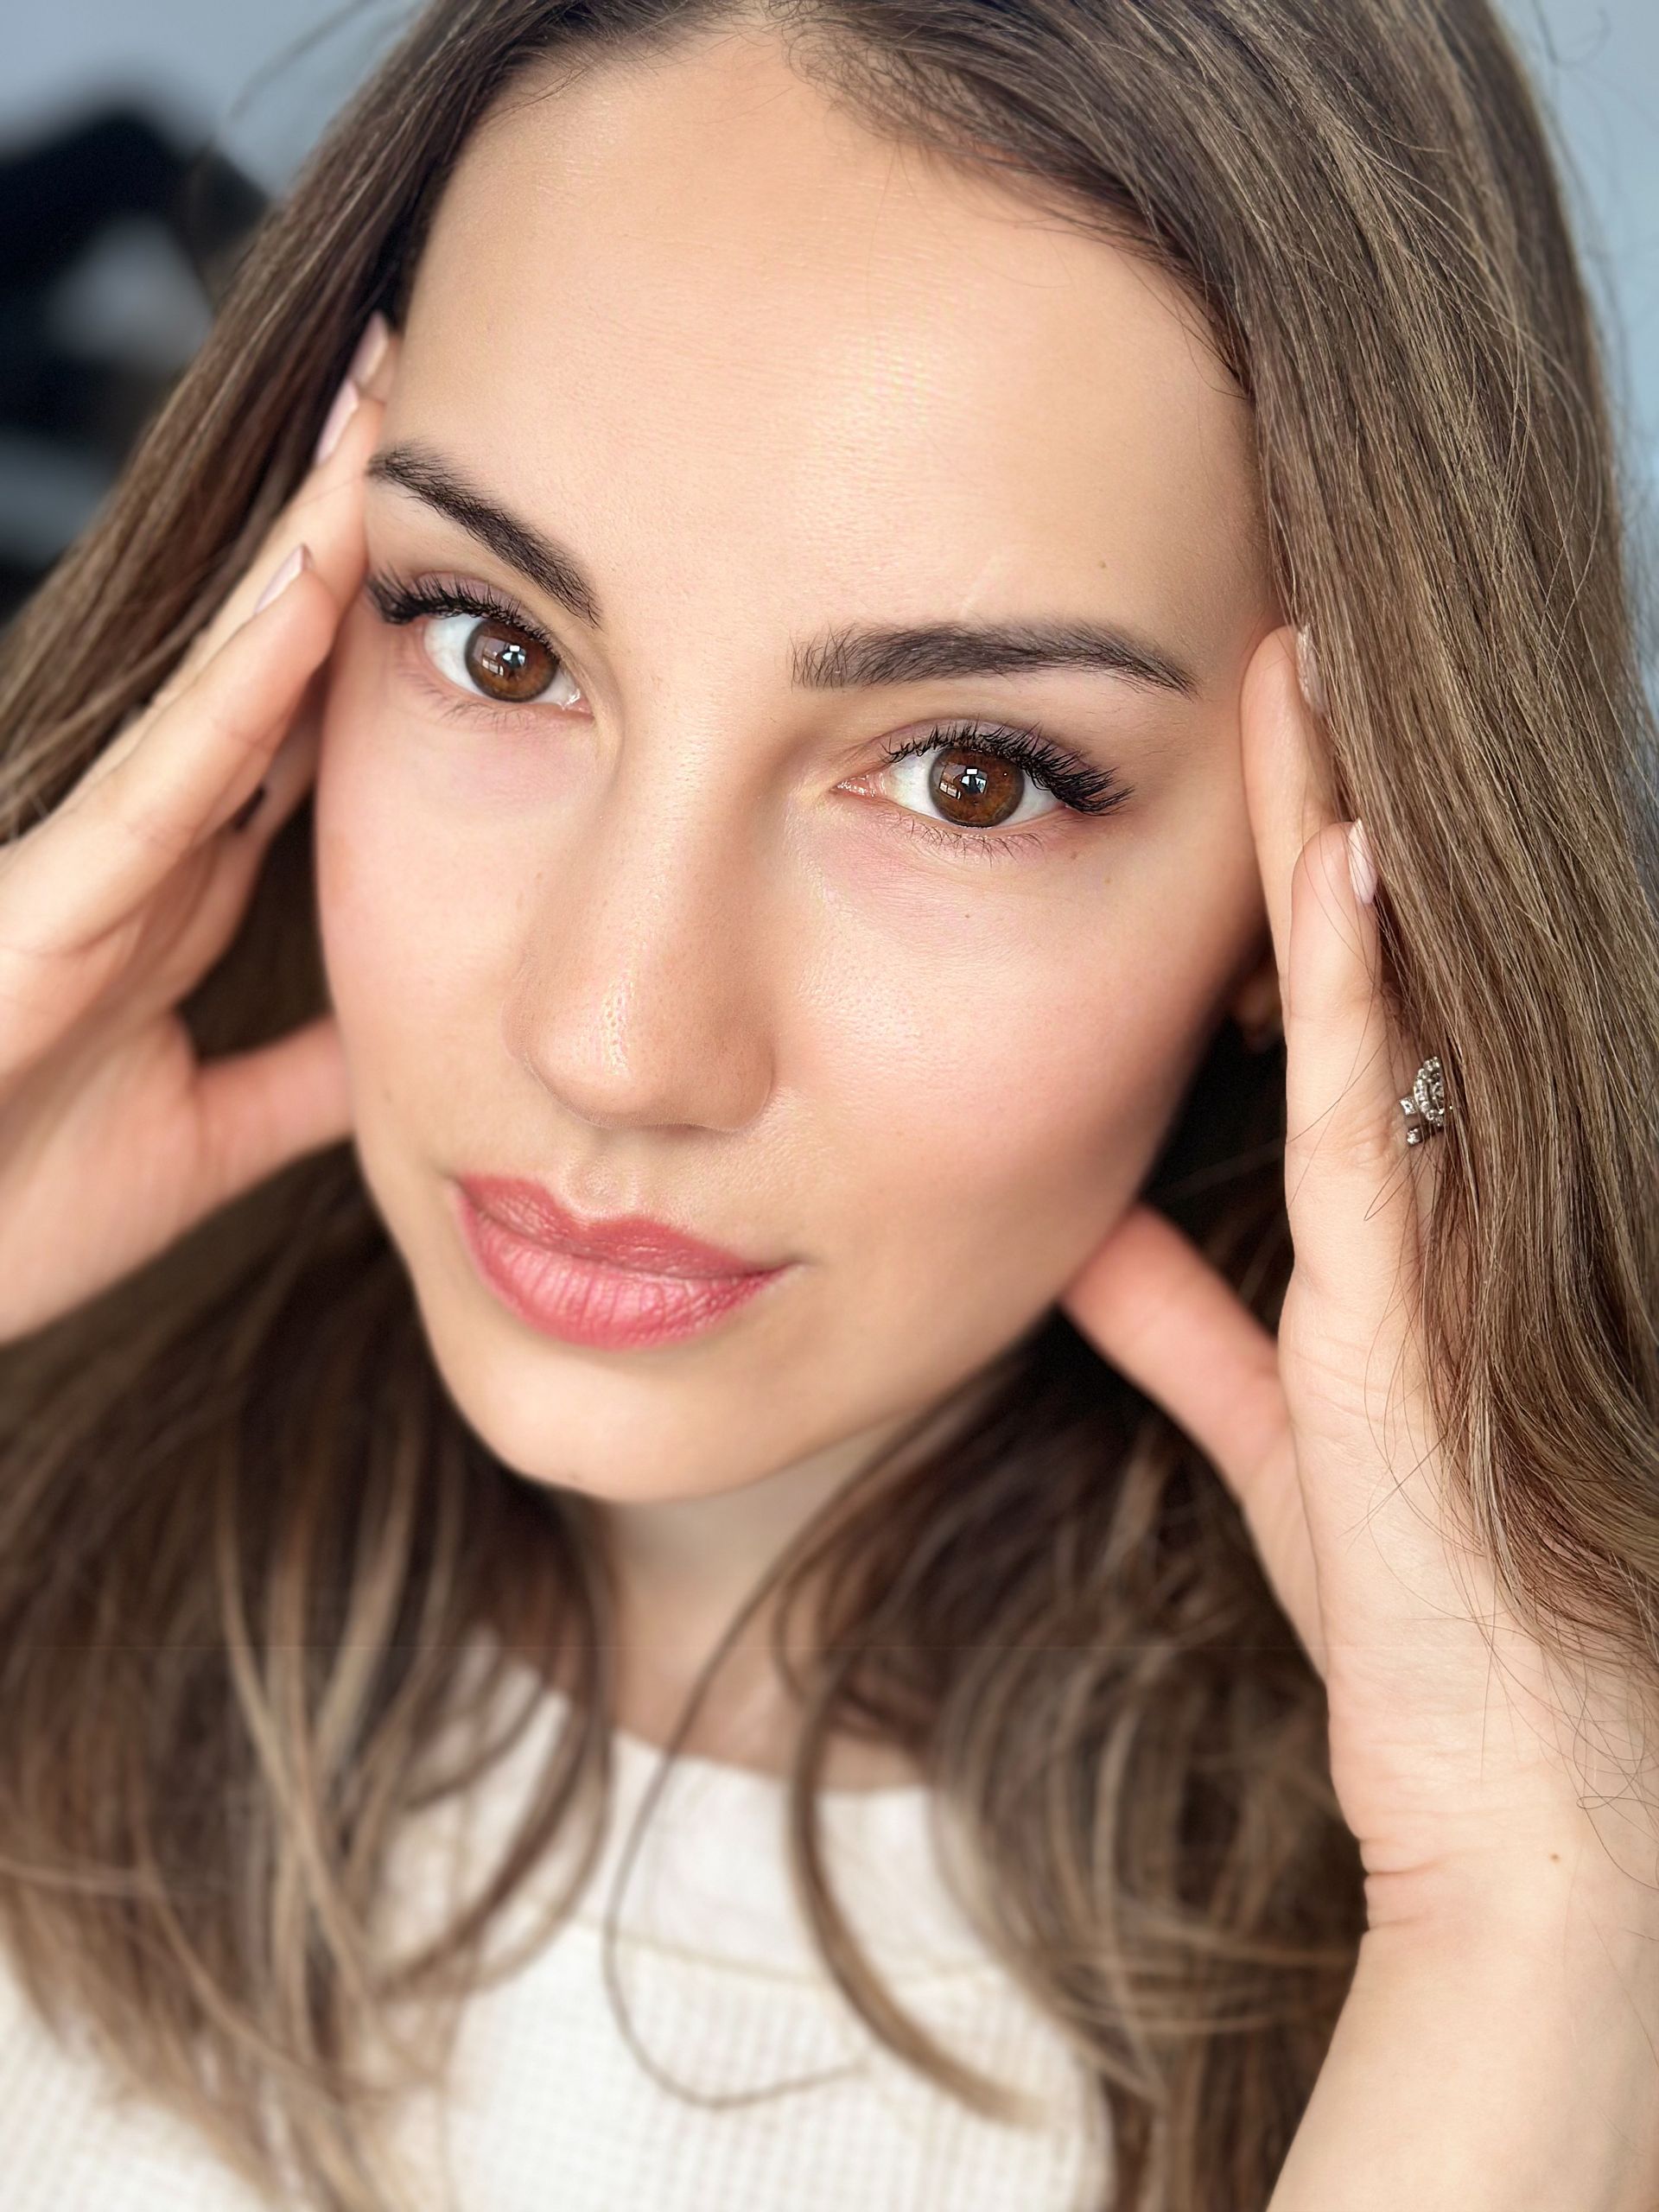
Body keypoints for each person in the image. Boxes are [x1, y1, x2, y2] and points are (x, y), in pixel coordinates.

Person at [0, 3, 1656, 2208]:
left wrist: (1534, 1930)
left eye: (969, 776)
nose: (614, 1036)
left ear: (1341, 861)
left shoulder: (1564, 1917)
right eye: (496, 642)